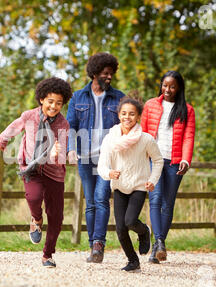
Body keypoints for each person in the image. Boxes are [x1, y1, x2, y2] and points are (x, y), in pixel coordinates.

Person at [0, 77, 73, 268]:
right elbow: (12, 128)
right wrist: (3, 141)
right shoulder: (29, 116)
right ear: (41, 99)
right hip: (31, 167)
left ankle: (47, 255)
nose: (54, 106)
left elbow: (62, 155)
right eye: (50, 101)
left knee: (56, 216)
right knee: (33, 197)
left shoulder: (63, 124)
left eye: (58, 103)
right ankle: (36, 219)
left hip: (54, 171)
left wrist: (56, 154)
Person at [66, 52, 125, 263]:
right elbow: (70, 126)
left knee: (101, 199)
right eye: (105, 73)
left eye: (111, 74)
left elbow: (126, 125)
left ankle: (99, 243)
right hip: (85, 156)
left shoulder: (119, 98)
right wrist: (71, 149)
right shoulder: (78, 97)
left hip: (108, 158)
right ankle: (93, 247)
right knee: (90, 202)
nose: (109, 77)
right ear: (94, 73)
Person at [98, 95, 163, 272]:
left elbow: (158, 160)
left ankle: (144, 232)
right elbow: (102, 165)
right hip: (119, 186)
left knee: (130, 221)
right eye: (124, 113)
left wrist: (152, 180)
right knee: (120, 228)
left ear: (138, 117)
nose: (127, 117)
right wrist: (109, 173)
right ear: (119, 115)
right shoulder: (110, 139)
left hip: (139, 186)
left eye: (132, 114)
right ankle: (133, 261)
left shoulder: (146, 139)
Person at [141, 70, 196, 264]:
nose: (168, 89)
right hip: (153, 160)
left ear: (179, 87)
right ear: (161, 85)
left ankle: (158, 245)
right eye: (165, 85)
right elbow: (144, 132)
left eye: (172, 86)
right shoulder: (150, 105)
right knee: (155, 200)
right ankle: (159, 242)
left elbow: (189, 136)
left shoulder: (187, 110)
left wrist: (186, 159)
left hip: (174, 162)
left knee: (168, 203)